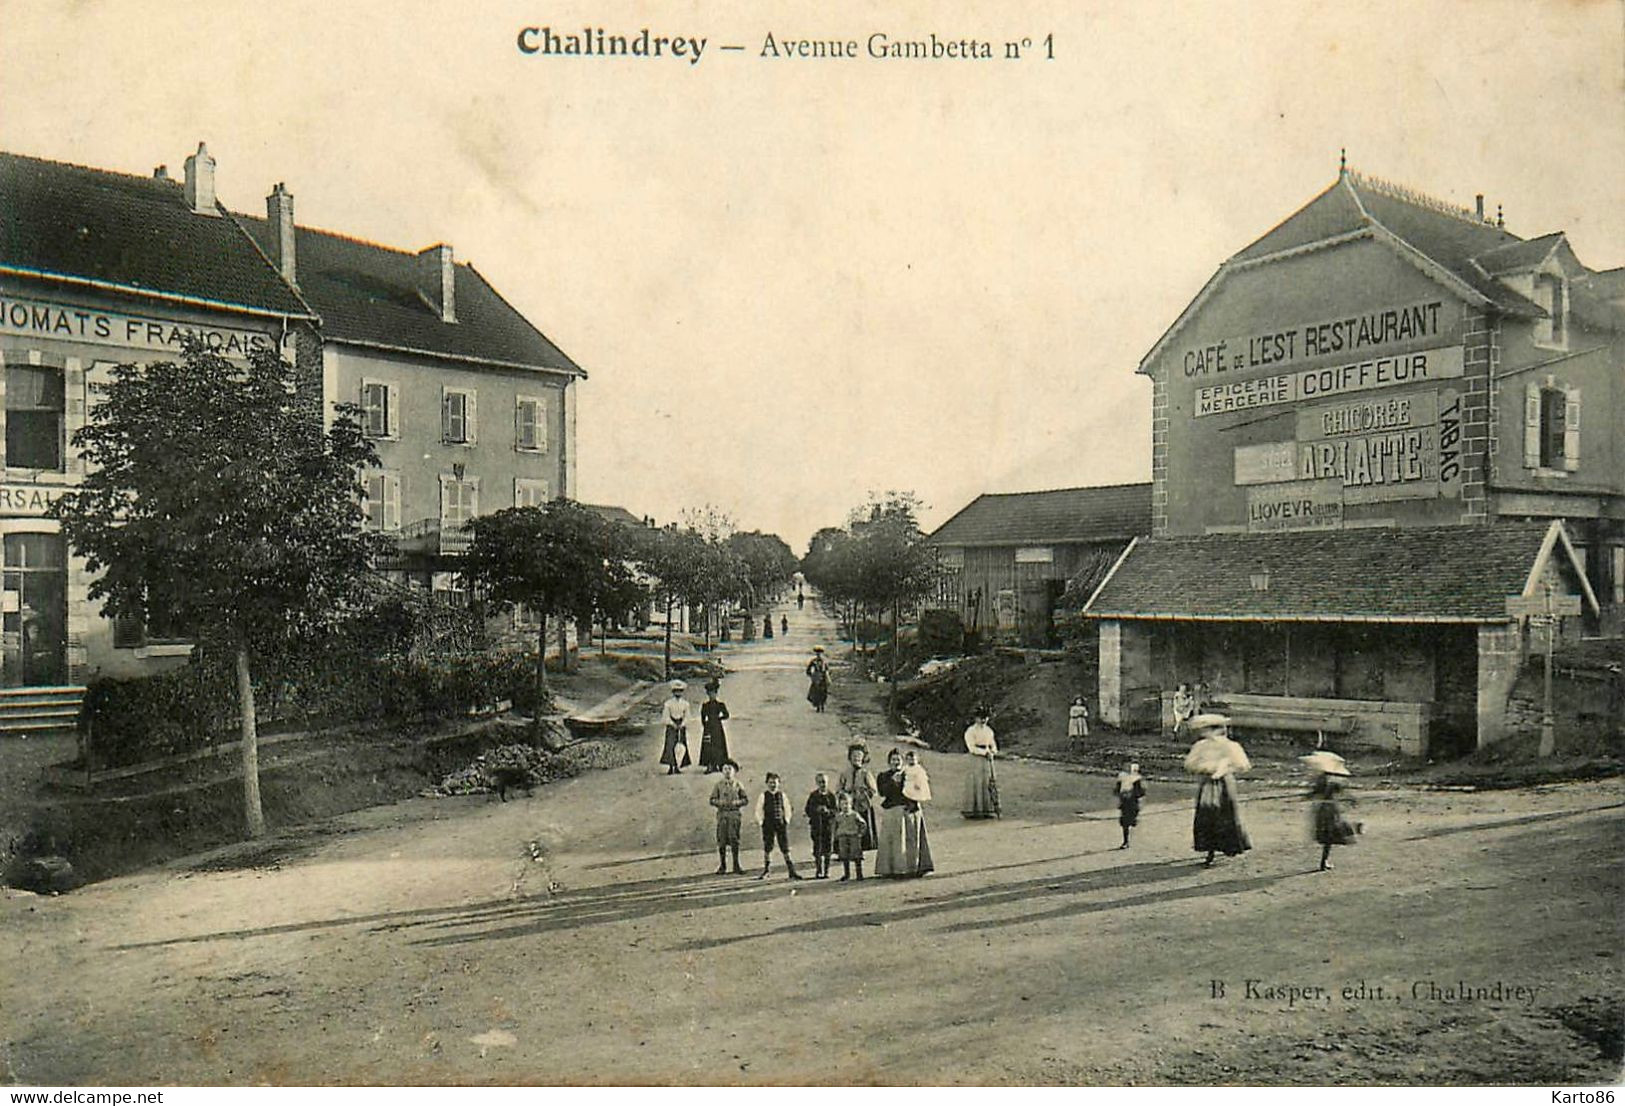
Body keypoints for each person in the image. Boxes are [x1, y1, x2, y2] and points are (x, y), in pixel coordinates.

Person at [1184, 714, 1252, 867]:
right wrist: (1204, 768)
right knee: (1207, 814)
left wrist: (1223, 768)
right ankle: (1209, 849)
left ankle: (1231, 846)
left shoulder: (1229, 746)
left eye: (1207, 729)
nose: (1204, 733)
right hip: (1207, 781)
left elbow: (1242, 765)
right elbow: (1189, 764)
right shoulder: (1201, 746)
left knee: (1225, 813)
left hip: (1224, 782)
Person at [876, 749, 934, 878]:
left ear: (903, 762)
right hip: (892, 811)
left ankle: (914, 867)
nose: (895, 762)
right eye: (893, 760)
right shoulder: (883, 776)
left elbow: (920, 789)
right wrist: (893, 781)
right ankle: (893, 869)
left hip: (909, 810)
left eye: (898, 760)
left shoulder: (911, 773)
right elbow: (882, 792)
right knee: (894, 841)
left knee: (911, 840)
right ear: (889, 762)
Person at [1302, 751, 1360, 871]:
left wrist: (1306, 797)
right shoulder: (1334, 781)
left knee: (1326, 837)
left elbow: (1313, 794)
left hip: (1321, 810)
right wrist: (1352, 800)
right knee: (1330, 836)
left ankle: (1324, 862)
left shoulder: (1319, 780)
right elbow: (1344, 793)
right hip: (1331, 810)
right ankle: (1324, 861)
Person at [754, 772, 803, 880]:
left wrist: (786, 820)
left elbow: (787, 808)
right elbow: (758, 810)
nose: (773, 785)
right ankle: (767, 870)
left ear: (779, 783)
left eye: (775, 783)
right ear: (767, 783)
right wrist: (761, 822)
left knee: (785, 847)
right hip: (768, 825)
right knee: (768, 847)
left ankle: (791, 871)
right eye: (771, 783)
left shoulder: (782, 795)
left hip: (780, 825)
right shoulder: (763, 796)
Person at [835, 741, 878, 851]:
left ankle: (864, 847)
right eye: (854, 756)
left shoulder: (865, 773)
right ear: (850, 757)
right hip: (848, 805)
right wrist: (844, 795)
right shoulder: (845, 773)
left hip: (862, 804)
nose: (856, 758)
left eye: (859, 756)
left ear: (863, 758)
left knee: (862, 824)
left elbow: (873, 790)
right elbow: (839, 788)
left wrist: (863, 794)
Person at [708, 762, 748, 874]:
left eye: (730, 769)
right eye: (725, 769)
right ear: (722, 771)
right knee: (722, 840)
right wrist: (720, 802)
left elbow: (745, 799)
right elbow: (712, 800)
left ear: (734, 771)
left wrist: (737, 802)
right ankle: (722, 865)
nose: (727, 771)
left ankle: (736, 864)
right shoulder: (718, 785)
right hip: (722, 815)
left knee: (734, 839)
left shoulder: (738, 784)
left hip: (734, 815)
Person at [961, 709, 1000, 819]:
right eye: (980, 717)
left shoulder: (989, 731)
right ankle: (973, 810)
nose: (983, 720)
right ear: (976, 718)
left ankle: (987, 809)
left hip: (987, 760)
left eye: (985, 717)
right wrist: (984, 752)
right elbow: (971, 747)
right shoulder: (971, 731)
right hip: (976, 759)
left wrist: (992, 751)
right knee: (976, 781)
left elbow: (993, 744)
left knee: (987, 781)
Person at [804, 773, 838, 879]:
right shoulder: (813, 796)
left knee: (828, 848)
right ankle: (818, 870)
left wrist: (827, 811)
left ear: (827, 783)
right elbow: (807, 810)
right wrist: (816, 810)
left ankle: (827, 871)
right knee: (817, 848)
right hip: (816, 826)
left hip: (828, 826)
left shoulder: (831, 796)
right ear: (816, 783)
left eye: (824, 782)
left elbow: (836, 810)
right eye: (820, 782)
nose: (822, 784)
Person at [698, 679, 731, 773]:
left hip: (717, 727)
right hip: (709, 728)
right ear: (708, 694)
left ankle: (718, 764)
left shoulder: (720, 705)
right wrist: (706, 725)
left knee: (718, 745)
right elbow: (702, 717)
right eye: (710, 693)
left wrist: (719, 719)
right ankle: (709, 765)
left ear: (716, 694)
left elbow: (727, 715)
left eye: (713, 693)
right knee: (708, 746)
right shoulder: (705, 705)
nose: (711, 695)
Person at [658, 680, 692, 775]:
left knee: (681, 745)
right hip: (671, 726)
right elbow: (665, 716)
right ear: (673, 692)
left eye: (680, 691)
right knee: (670, 745)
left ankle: (678, 766)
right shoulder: (668, 703)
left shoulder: (685, 704)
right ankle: (670, 766)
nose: (678, 693)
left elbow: (687, 716)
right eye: (676, 691)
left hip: (681, 725)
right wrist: (672, 724)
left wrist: (683, 724)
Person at [832, 792, 866, 881]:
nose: (845, 806)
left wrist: (860, 833)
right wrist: (836, 835)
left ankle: (859, 874)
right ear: (839, 805)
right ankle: (847, 874)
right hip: (842, 837)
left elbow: (863, 824)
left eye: (847, 804)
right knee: (844, 856)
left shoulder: (854, 815)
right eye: (843, 804)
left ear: (851, 804)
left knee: (856, 855)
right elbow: (835, 826)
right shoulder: (838, 816)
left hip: (853, 836)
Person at [1114, 761, 1146, 849]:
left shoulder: (1137, 778)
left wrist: (1131, 793)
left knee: (1131, 819)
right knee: (1125, 822)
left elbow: (1140, 792)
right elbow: (1116, 789)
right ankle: (1125, 841)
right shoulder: (1122, 777)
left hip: (1133, 801)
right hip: (1124, 801)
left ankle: (1133, 821)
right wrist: (1121, 794)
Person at [806, 646, 830, 713]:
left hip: (822, 676)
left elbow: (827, 670)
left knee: (823, 691)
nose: (819, 655)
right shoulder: (814, 661)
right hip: (817, 677)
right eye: (817, 653)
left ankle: (822, 705)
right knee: (815, 691)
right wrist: (812, 676)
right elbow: (808, 670)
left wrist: (827, 677)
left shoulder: (824, 661)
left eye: (820, 653)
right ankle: (818, 706)